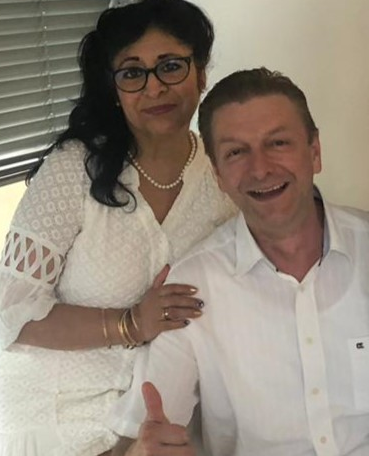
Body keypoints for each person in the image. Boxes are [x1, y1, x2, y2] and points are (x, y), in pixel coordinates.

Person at [0, 0, 237, 456]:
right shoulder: (74, 168)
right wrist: (131, 323)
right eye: (133, 73)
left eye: (171, 65)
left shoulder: (220, 175)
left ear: (201, 72)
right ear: (115, 89)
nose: (154, 87)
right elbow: (12, 313)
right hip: (40, 419)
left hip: (146, 418)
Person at [109, 67, 369, 456]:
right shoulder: (192, 287)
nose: (260, 169)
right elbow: (139, 437)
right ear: (217, 174)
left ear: (314, 152)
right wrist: (140, 452)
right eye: (236, 152)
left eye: (278, 143)